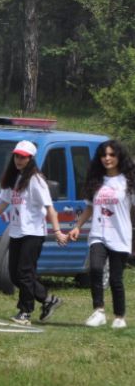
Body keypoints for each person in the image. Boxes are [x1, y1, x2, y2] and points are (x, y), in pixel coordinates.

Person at [0, 141, 67, 325]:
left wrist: (58, 231)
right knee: (14, 274)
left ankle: (25, 312)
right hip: (17, 231)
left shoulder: (36, 180)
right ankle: (48, 300)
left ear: (30, 159)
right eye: (17, 156)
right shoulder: (13, 178)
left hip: (33, 232)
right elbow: (4, 202)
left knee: (25, 273)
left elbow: (50, 208)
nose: (19, 160)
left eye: (23, 157)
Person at [68, 140, 135, 329]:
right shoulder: (96, 181)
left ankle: (119, 316)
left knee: (115, 279)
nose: (107, 158)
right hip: (98, 233)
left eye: (112, 155)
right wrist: (77, 227)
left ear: (119, 157)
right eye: (104, 155)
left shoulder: (128, 181)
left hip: (121, 236)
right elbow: (90, 207)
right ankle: (98, 311)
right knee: (96, 269)